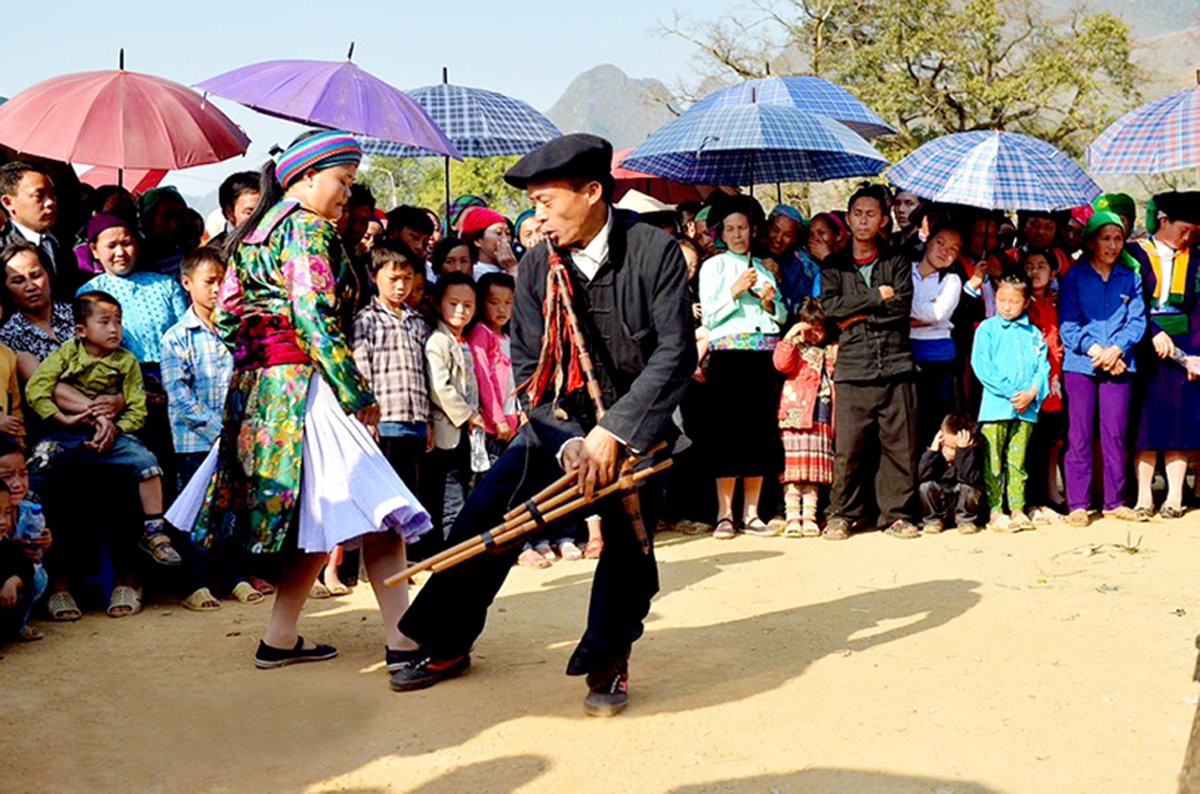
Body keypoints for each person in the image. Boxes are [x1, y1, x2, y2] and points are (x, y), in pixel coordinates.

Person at [392, 133, 696, 717]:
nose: (538, 218)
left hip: (639, 430)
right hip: (558, 430)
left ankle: (609, 665)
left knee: (629, 553)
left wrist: (617, 433)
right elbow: (529, 370)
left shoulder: (653, 252)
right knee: (485, 518)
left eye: (546, 202)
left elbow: (674, 354)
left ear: (591, 192)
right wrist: (575, 442)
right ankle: (447, 642)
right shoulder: (536, 266)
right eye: (532, 204)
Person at [165, 130, 432, 671]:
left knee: (321, 511)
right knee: (379, 509)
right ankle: (403, 642)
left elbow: (231, 319)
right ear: (307, 176)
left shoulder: (251, 231)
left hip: (261, 393)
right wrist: (355, 390)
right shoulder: (307, 229)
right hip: (308, 388)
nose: (347, 194)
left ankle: (280, 638)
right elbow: (312, 315)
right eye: (344, 180)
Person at [26, 291, 179, 616]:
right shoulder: (67, 353)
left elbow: (138, 408)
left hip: (113, 438)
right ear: (81, 330)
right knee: (37, 469)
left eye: (118, 322)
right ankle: (30, 535)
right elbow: (38, 388)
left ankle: (154, 533)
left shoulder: (125, 362)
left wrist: (116, 428)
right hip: (64, 432)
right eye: (105, 322)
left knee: (146, 463)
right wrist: (65, 417)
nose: (114, 329)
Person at [161, 247, 263, 608]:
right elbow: (178, 392)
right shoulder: (177, 336)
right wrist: (217, 430)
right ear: (187, 283)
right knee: (198, 513)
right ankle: (196, 583)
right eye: (210, 281)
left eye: (224, 280)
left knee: (236, 511)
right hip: (195, 442)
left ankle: (235, 576)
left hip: (238, 439)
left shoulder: (241, 331)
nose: (219, 289)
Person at [821, 184, 919, 539]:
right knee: (849, 449)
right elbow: (830, 310)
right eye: (858, 214)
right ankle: (843, 513)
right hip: (853, 367)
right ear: (848, 219)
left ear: (882, 220)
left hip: (896, 363)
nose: (864, 220)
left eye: (871, 214)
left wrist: (856, 313)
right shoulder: (833, 263)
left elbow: (902, 307)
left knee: (900, 446)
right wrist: (875, 297)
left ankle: (897, 515)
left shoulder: (897, 259)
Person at [77, 213, 188, 499]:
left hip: (172, 385)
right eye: (110, 245)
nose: (120, 252)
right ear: (94, 249)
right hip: (120, 392)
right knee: (136, 470)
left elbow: (185, 336)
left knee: (175, 461)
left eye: (126, 243)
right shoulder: (88, 294)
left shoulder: (165, 285)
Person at [698, 197, 786, 539]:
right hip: (728, 355)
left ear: (753, 231)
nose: (737, 235)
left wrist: (768, 301)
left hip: (762, 355)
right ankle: (724, 513)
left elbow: (778, 316)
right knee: (726, 433)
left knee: (759, 433)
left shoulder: (764, 268)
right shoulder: (714, 266)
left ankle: (751, 513)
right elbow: (710, 317)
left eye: (742, 228)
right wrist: (735, 291)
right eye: (730, 229)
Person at [1058, 211, 1147, 527]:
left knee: (1115, 435)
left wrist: (1117, 349)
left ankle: (1114, 502)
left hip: (1120, 363)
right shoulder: (1074, 276)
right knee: (1079, 435)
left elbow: (1137, 321)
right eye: (1105, 238)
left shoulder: (1130, 277)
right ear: (1092, 241)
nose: (1112, 245)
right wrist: (1098, 351)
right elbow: (1068, 324)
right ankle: (1079, 505)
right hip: (1081, 364)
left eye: (1118, 238)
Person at [351, 242, 436, 564]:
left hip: (413, 422)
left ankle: (402, 558)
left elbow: (424, 376)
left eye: (408, 278)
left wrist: (426, 420)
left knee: (408, 494)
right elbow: (361, 371)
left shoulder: (417, 322)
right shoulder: (366, 320)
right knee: (380, 497)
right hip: (382, 421)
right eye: (393, 278)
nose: (401, 286)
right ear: (374, 278)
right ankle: (370, 564)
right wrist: (366, 418)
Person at [1128, 192, 1200, 519]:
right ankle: (1144, 497)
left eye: (1193, 232)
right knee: (1145, 421)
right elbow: (1130, 302)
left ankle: (1173, 496)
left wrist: (1195, 354)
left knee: (1180, 420)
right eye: (1183, 229)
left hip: (1184, 345)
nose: (1187, 237)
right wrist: (1152, 331)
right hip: (1143, 343)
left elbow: (1198, 308)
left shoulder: (1196, 259)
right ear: (1163, 220)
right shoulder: (1134, 254)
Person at [970, 272, 1049, 532]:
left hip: (1026, 409)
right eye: (1002, 300)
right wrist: (1011, 392)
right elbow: (982, 366)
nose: (1007, 306)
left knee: (1018, 461)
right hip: (995, 408)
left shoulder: (1034, 334)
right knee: (993, 461)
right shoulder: (987, 329)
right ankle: (995, 511)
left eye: (1014, 301)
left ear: (1026, 302)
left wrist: (1032, 392)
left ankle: (1017, 507)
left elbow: (1042, 367)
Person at [425, 272, 483, 538]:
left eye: (468, 305)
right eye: (454, 303)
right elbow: (440, 388)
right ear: (438, 304)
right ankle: (453, 548)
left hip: (466, 431)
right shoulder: (438, 340)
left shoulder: (463, 340)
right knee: (452, 494)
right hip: (449, 428)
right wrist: (468, 415)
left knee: (464, 487)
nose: (461, 310)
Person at [773, 298, 835, 538]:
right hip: (794, 416)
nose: (813, 333)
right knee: (793, 473)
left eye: (819, 328)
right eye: (808, 327)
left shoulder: (830, 351)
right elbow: (781, 364)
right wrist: (790, 336)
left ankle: (809, 516)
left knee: (813, 473)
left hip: (821, 415)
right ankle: (791, 517)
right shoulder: (794, 348)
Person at [1022, 248, 1066, 521]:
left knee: (1051, 438)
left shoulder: (1056, 303)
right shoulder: (1018, 303)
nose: (1035, 271)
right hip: (1028, 381)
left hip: (1053, 381)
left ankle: (1050, 491)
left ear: (1052, 273)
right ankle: (1031, 500)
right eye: (1029, 266)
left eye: (1041, 266)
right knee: (1030, 440)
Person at [909, 225, 964, 444]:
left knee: (939, 420)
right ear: (928, 241)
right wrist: (922, 312)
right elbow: (895, 306)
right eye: (941, 243)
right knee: (912, 419)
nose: (945, 252)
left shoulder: (952, 280)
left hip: (940, 357)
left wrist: (907, 314)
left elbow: (938, 314)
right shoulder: (904, 270)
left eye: (953, 249)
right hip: (907, 353)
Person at [0, 441, 50, 641]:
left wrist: (44, 542)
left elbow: (27, 562)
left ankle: (15, 626)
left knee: (37, 575)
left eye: (23, 473)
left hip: (9, 572)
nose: (18, 483)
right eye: (6, 477)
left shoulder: (29, 511)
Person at [0, 162, 75, 292]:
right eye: (39, 196)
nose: (51, 202)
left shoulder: (64, 241)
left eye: (52, 194)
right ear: (8, 202)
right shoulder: (3, 249)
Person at [918, 413, 983, 534]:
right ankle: (933, 520)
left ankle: (965, 521)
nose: (948, 452)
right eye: (945, 445)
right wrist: (932, 452)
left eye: (954, 449)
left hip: (961, 503)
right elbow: (922, 475)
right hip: (941, 502)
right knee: (926, 486)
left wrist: (963, 453)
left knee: (968, 487)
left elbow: (969, 479)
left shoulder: (972, 457)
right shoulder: (936, 454)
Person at [763, 205, 820, 318]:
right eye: (775, 230)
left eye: (787, 235)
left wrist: (780, 281)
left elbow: (799, 310)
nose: (779, 239)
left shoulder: (797, 268)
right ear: (768, 227)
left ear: (795, 239)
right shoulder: (752, 253)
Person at [461, 207, 517, 280]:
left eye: (507, 233)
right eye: (498, 233)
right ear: (477, 241)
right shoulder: (475, 273)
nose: (505, 239)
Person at [213, 171, 261, 250]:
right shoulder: (216, 252)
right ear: (229, 213)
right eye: (249, 212)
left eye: (264, 210)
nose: (259, 217)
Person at [892, 190, 926, 259]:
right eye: (897, 203)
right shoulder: (889, 242)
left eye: (909, 204)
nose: (901, 210)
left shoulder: (926, 246)